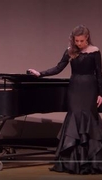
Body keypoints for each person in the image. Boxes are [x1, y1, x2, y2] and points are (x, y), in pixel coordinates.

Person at [27, 25, 102, 174]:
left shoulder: (95, 52)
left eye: (81, 40)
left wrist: (101, 93)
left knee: (89, 119)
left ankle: (91, 161)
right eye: (76, 41)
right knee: (74, 118)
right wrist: (40, 73)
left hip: (90, 88)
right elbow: (58, 68)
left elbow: (100, 74)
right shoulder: (70, 51)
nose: (79, 43)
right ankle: (72, 162)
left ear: (87, 37)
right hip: (75, 88)